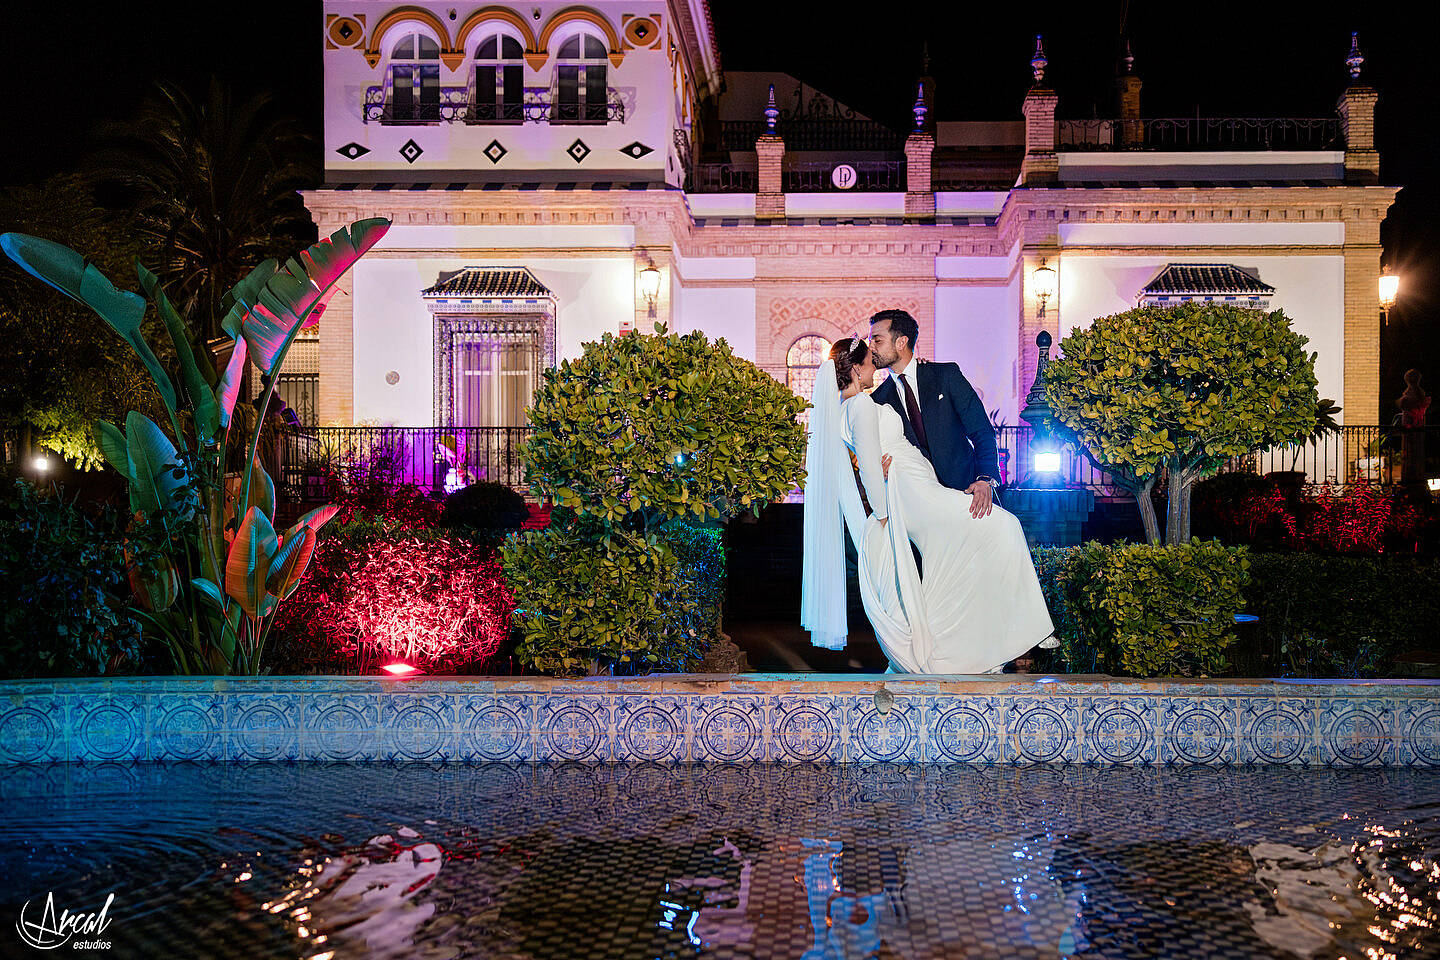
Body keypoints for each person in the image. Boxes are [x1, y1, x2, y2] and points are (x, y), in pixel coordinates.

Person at [801, 337, 1055, 674]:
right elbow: (870, 469)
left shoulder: (851, 408)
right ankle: (1027, 628)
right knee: (1003, 525)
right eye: (869, 357)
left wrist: (876, 471)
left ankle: (958, 646)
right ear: (858, 368)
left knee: (952, 560)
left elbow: (869, 460)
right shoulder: (861, 406)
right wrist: (884, 515)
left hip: (921, 489)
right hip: (915, 496)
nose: (874, 363)